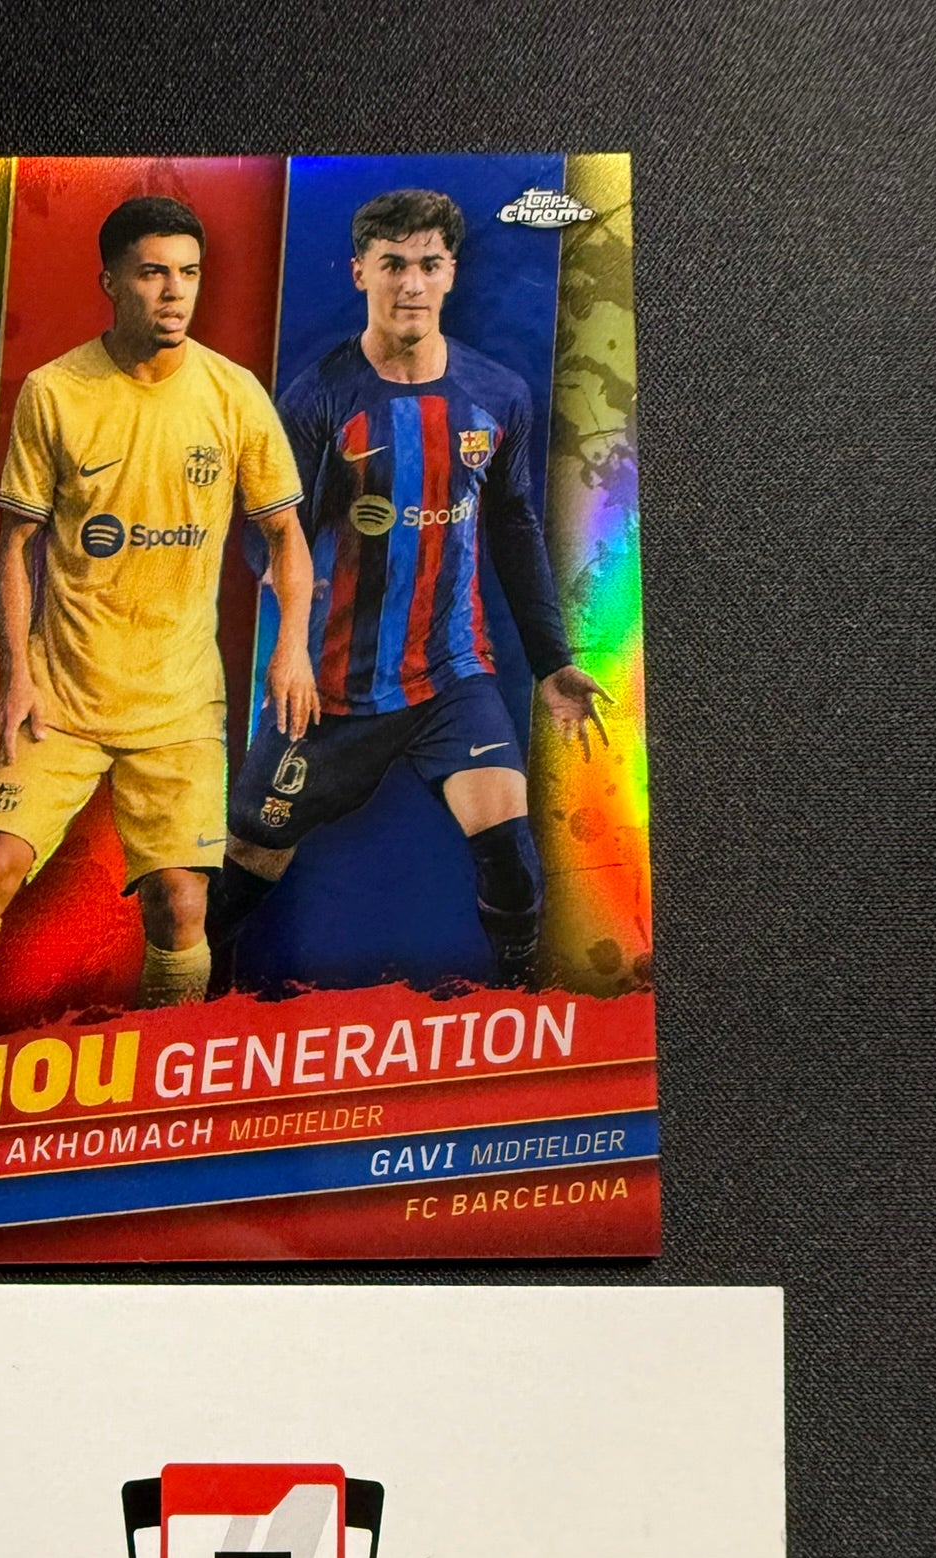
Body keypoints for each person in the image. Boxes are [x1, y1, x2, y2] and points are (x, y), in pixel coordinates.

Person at [0, 195, 317, 1036]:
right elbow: (15, 545)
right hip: (63, 691)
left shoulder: (234, 395)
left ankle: (162, 1075)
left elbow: (285, 534)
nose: (175, 292)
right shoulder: (56, 392)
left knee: (181, 904)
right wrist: (16, 678)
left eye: (189, 274)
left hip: (178, 702)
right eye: (153, 273)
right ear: (111, 282)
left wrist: (293, 649)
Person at [210, 187, 610, 992]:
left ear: (452, 272)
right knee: (246, 861)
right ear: (360, 272)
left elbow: (514, 527)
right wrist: (289, 644)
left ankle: (519, 1000)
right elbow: (267, 534)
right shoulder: (319, 399)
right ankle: (188, 1000)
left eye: (430, 264)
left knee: (511, 856)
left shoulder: (497, 395)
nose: (412, 284)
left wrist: (551, 662)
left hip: (450, 674)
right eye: (393, 264)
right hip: (331, 687)